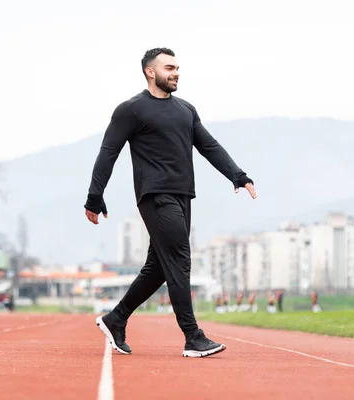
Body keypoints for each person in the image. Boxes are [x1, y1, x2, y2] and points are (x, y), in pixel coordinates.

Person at [85, 47, 256, 358]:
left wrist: (238, 176)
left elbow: (209, 145)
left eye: (177, 67)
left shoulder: (185, 110)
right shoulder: (131, 110)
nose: (176, 72)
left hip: (183, 195)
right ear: (151, 72)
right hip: (154, 196)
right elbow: (108, 152)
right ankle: (193, 336)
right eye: (169, 67)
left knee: (158, 268)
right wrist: (95, 197)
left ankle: (116, 319)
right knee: (179, 261)